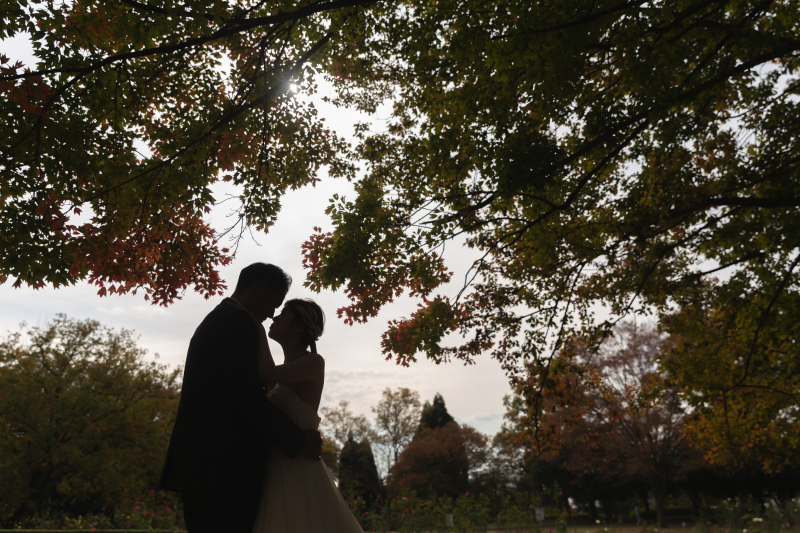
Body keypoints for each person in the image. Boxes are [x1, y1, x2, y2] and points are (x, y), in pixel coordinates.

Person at [159, 263, 323, 533]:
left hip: (213, 467)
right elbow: (245, 396)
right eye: (275, 304)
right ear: (259, 288)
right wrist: (297, 442)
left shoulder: (225, 319)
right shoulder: (236, 322)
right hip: (222, 469)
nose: (272, 314)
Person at [231, 297, 365, 533]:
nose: (275, 317)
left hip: (298, 468)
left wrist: (257, 326)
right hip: (275, 465)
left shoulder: (313, 361)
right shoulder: (287, 368)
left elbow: (266, 372)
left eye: (283, 314)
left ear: (298, 327)